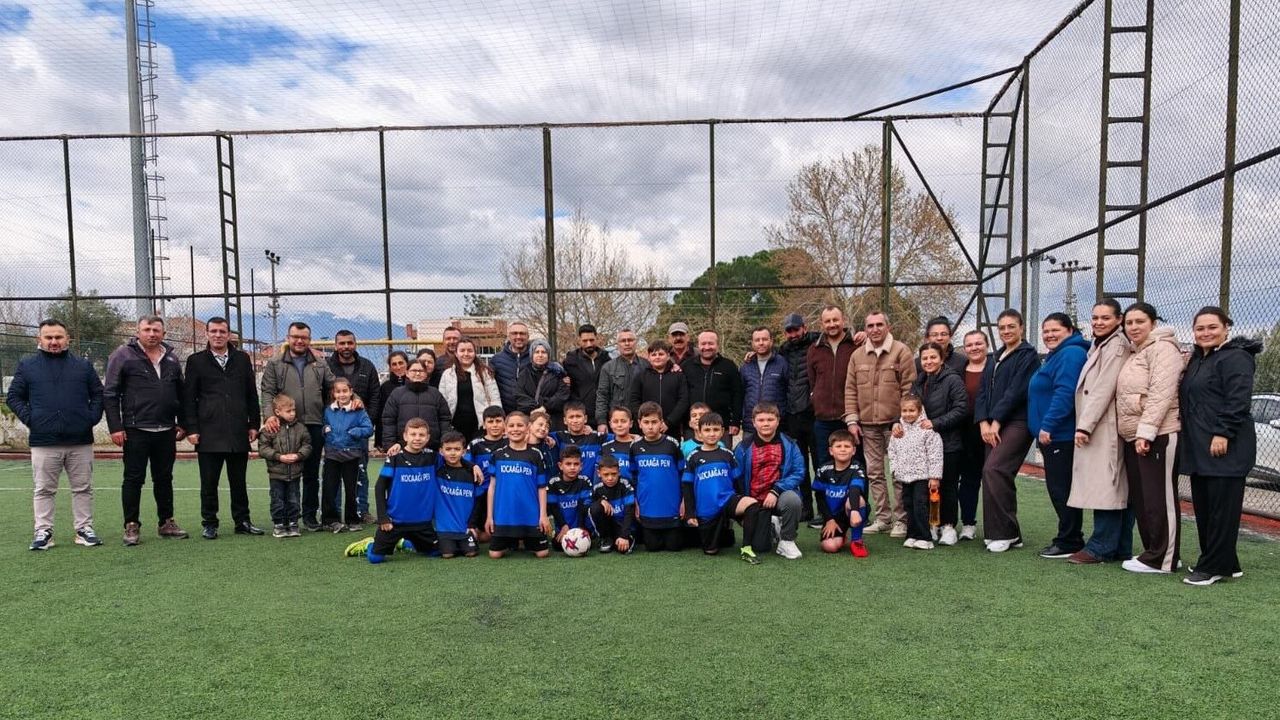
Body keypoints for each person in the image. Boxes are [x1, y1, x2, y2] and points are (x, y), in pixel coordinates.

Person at [1180, 306, 1260, 586]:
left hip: (1226, 449)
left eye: (1212, 327)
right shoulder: (1198, 359)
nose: (1206, 333)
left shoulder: (1236, 357)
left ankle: (1214, 566)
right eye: (1200, 328)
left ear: (1226, 328)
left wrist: (1223, 433)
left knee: (1222, 511)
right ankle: (1227, 562)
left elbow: (1238, 400)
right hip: (1199, 448)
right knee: (1206, 507)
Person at [7, 319, 104, 550]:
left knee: (83, 488)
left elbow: (98, 394)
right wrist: (32, 419)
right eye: (48, 337)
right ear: (39, 339)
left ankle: (84, 529)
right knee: (43, 489)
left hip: (80, 440)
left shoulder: (83, 366)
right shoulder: (27, 366)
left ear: (67, 339)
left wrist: (90, 418)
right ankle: (44, 532)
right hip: (44, 441)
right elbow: (14, 397)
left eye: (58, 337)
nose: (54, 341)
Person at [105, 315, 189, 545]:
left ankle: (166, 522)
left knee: (164, 478)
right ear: (138, 331)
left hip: (166, 430)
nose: (152, 334)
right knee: (133, 479)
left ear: (163, 333)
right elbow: (110, 394)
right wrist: (115, 427)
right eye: (147, 329)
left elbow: (180, 393)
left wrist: (183, 422)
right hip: (135, 430)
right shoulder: (123, 355)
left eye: (156, 330)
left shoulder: (171, 358)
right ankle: (131, 525)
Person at [1116, 302, 1184, 575]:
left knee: (1159, 497)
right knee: (1144, 498)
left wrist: (1146, 432)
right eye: (1129, 323)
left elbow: (1161, 395)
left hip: (1159, 434)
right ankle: (1153, 552)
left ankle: (1164, 559)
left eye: (1139, 322)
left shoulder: (1163, 349)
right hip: (1134, 435)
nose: (1133, 327)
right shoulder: (1136, 352)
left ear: (1153, 323)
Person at [1066, 299, 1134, 564]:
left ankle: (1101, 546)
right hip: (1100, 424)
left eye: (1106, 318)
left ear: (1118, 319)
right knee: (1109, 484)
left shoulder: (1116, 345)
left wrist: (1085, 425)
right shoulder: (1101, 344)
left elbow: (1103, 388)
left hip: (1103, 426)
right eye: (1095, 317)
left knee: (1107, 484)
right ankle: (1119, 546)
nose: (1099, 322)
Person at [183, 316, 263, 539]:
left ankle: (242, 521)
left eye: (222, 331)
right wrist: (191, 428)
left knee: (239, 482)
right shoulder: (195, 361)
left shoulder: (242, 359)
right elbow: (188, 398)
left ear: (229, 335)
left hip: (237, 431)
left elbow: (251, 394)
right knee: (209, 483)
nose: (218, 335)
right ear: (207, 334)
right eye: (214, 331)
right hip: (208, 432)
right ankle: (210, 523)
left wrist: (254, 424)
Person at [843, 310, 916, 537]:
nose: (875, 329)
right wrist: (852, 420)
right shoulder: (857, 356)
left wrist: (903, 420)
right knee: (874, 473)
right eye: (870, 325)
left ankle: (902, 520)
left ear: (888, 327)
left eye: (879, 325)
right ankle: (883, 518)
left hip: (895, 425)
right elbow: (850, 390)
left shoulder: (901, 351)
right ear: (865, 329)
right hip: (867, 424)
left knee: (898, 473)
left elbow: (909, 389)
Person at [973, 309, 1041, 553]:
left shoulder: (1028, 356)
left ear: (1021, 327)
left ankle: (1006, 533)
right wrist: (983, 421)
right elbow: (982, 391)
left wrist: (997, 422)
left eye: (1011, 326)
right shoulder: (994, 357)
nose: (1006, 331)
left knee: (995, 469)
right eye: (1002, 327)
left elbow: (1016, 391)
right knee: (993, 474)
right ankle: (1005, 533)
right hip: (991, 425)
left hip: (1016, 422)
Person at [261, 321, 338, 532]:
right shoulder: (275, 363)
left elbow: (334, 387)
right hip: (285, 427)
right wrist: (269, 416)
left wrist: (354, 398)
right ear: (288, 338)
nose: (299, 341)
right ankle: (285, 517)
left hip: (314, 423)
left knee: (311, 474)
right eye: (295, 337)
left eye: (304, 337)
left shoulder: (320, 364)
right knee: (285, 473)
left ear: (309, 340)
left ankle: (310, 517)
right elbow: (267, 392)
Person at [1026, 313, 1089, 559]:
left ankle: (1069, 540)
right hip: (1053, 435)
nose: (1049, 335)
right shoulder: (1057, 355)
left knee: (1061, 489)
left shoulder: (1070, 354)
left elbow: (1065, 392)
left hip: (1060, 435)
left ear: (1070, 330)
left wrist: (1049, 425)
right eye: (1046, 331)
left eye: (1055, 330)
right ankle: (1068, 537)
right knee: (1059, 488)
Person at [683, 413, 770, 564]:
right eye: (707, 430)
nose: (712, 434)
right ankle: (722, 529)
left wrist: (741, 504)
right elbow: (687, 486)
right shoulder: (693, 457)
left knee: (751, 504)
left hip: (727, 500)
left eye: (716, 429)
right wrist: (690, 513)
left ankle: (746, 549)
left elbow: (737, 481)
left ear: (722, 432)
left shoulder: (728, 454)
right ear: (699, 432)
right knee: (711, 550)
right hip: (707, 509)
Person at [909, 341, 970, 546]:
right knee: (927, 487)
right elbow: (910, 408)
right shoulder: (918, 382)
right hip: (924, 445)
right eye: (925, 358)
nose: (929, 361)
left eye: (933, 357)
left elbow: (961, 409)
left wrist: (936, 423)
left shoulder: (953, 380)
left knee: (948, 486)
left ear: (942, 359)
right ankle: (932, 524)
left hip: (949, 443)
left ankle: (949, 526)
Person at [733, 402, 805, 560]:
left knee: (792, 500)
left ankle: (787, 540)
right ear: (753, 422)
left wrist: (776, 490)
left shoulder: (790, 444)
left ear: (778, 421)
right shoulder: (743, 448)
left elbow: (798, 472)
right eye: (761, 420)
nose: (765, 424)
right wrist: (744, 508)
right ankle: (772, 524)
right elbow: (736, 477)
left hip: (779, 496)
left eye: (770, 419)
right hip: (755, 501)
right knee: (760, 547)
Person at [363, 418, 440, 563]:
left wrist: (472, 466)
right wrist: (383, 518)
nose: (417, 438)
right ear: (405, 436)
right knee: (375, 558)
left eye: (421, 435)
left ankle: (405, 542)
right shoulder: (395, 458)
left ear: (428, 437)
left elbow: (453, 460)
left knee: (436, 552)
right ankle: (370, 545)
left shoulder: (432, 457)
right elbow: (380, 487)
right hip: (395, 522)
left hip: (422, 522)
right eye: (413, 434)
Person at [327, 330, 381, 523]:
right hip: (335, 435)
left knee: (360, 474)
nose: (346, 347)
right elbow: (323, 395)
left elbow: (375, 397)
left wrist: (367, 422)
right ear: (336, 345)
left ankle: (361, 511)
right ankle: (334, 514)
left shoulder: (367, 366)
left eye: (349, 343)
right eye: (342, 343)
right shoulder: (326, 366)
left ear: (355, 344)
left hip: (358, 435)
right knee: (333, 478)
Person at [485, 412, 552, 558]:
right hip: (504, 516)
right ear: (505, 429)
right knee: (495, 554)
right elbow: (492, 487)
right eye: (511, 425)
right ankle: (514, 540)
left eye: (520, 425)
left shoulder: (535, 455)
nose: (515, 429)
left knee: (542, 553)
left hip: (530, 515)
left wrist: (543, 516)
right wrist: (489, 517)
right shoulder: (497, 455)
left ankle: (522, 539)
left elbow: (541, 488)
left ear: (527, 428)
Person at [628, 401, 686, 551]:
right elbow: (633, 477)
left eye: (654, 422)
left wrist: (684, 500)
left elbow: (683, 474)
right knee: (652, 547)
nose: (650, 426)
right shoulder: (635, 447)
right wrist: (636, 502)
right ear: (639, 423)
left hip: (672, 509)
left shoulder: (672, 444)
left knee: (674, 547)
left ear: (661, 422)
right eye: (646, 422)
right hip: (648, 509)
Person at [778, 313, 820, 524]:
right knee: (799, 463)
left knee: (820, 462)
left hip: (814, 414)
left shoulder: (818, 342)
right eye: (789, 331)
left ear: (804, 328)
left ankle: (824, 508)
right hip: (793, 415)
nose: (793, 334)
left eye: (796, 330)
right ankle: (805, 507)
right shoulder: (783, 351)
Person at [888, 395, 944, 550]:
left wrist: (934, 476)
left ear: (920, 411)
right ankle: (912, 535)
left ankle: (925, 537)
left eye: (912, 410)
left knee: (920, 505)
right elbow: (892, 451)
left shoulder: (927, 431)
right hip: (905, 476)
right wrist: (895, 469)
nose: (908, 414)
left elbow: (935, 455)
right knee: (908, 505)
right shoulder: (898, 430)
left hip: (922, 476)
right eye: (904, 411)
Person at [807, 305, 857, 472]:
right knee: (824, 464)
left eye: (835, 320)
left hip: (848, 418)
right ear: (822, 324)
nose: (832, 324)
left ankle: (854, 491)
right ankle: (825, 491)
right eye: (827, 321)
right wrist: (816, 399)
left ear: (843, 320)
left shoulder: (855, 345)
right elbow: (812, 381)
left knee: (853, 463)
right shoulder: (814, 349)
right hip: (823, 419)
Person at [322, 377, 374, 533]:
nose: (342, 394)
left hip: (351, 455)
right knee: (330, 488)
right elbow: (324, 425)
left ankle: (352, 520)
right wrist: (325, 431)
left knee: (352, 489)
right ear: (333, 393)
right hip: (332, 454)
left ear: (351, 392)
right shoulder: (328, 410)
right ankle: (330, 520)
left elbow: (368, 429)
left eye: (345, 391)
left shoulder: (359, 410)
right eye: (338, 391)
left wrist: (356, 432)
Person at [257, 395, 311, 538]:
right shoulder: (269, 429)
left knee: (294, 499)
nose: (292, 413)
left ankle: (293, 523)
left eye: (293, 410)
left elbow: (307, 445)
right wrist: (278, 457)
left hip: (295, 473)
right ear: (277, 412)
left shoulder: (301, 428)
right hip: (276, 473)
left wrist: (298, 455)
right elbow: (263, 448)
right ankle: (279, 524)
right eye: (288, 411)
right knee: (277, 499)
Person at [813, 430, 870, 557]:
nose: (843, 449)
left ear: (853, 450)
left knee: (858, 500)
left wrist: (854, 510)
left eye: (847, 446)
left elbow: (855, 489)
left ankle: (856, 540)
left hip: (852, 510)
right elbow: (819, 497)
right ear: (831, 451)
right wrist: (829, 519)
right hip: (834, 516)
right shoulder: (823, 470)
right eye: (838, 446)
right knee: (830, 546)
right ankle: (841, 535)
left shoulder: (857, 468)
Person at [957, 330, 990, 540]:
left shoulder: (995, 368)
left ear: (987, 345)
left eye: (978, 343)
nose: (974, 348)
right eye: (969, 345)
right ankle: (968, 524)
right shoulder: (959, 371)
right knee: (969, 480)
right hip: (965, 432)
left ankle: (999, 527)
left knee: (993, 478)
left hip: (991, 430)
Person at [683, 330, 745, 439]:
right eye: (703, 344)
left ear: (717, 345)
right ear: (698, 345)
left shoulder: (729, 366)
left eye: (711, 343)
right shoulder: (687, 366)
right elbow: (681, 396)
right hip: (693, 428)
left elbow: (737, 395)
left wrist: (735, 421)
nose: (707, 347)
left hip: (721, 427)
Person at [381, 359, 453, 452]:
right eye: (414, 370)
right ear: (407, 373)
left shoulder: (435, 394)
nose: (418, 373)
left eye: (421, 371)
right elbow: (389, 420)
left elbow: (444, 419)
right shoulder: (397, 394)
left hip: (432, 447)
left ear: (426, 374)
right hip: (403, 448)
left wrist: (445, 443)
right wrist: (390, 444)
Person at [438, 337, 501, 440]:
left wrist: (495, 420)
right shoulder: (447, 374)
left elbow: (495, 398)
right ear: (456, 353)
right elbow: (442, 402)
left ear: (475, 353)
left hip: (479, 425)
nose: (466, 354)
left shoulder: (484, 373)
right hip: (454, 426)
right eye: (462, 351)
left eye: (470, 351)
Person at [434, 430, 480, 558]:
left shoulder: (472, 473)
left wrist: (472, 524)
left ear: (464, 452)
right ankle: (407, 542)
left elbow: (478, 501)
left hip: (464, 528)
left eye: (457, 449)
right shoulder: (437, 470)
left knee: (471, 553)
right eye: (448, 449)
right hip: (445, 528)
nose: (453, 453)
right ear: (441, 451)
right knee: (448, 554)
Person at [627, 340, 689, 438]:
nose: (657, 357)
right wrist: (645, 421)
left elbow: (683, 400)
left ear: (668, 356)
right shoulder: (641, 376)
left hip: (672, 428)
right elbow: (634, 400)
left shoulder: (678, 375)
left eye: (661, 354)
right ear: (649, 357)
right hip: (647, 428)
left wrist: (669, 422)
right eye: (654, 354)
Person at [465, 406, 508, 543]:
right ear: (484, 424)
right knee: (482, 533)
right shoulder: (476, 444)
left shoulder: (510, 441)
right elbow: (464, 462)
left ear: (504, 423)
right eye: (490, 421)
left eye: (498, 421)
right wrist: (473, 465)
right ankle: (472, 528)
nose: (494, 425)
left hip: (503, 491)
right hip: (481, 491)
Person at [595, 328, 647, 435]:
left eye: (630, 340)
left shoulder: (646, 365)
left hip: (642, 423)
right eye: (623, 341)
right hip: (618, 423)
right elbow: (602, 396)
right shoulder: (608, 368)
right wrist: (601, 421)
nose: (627, 343)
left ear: (636, 342)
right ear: (618, 344)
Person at [740, 326, 789, 436]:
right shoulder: (746, 366)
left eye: (765, 339)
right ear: (752, 343)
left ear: (771, 341)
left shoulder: (782, 363)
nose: (761, 343)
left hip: (777, 426)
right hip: (751, 426)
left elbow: (789, 391)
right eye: (757, 340)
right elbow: (741, 394)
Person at [515, 339, 571, 429]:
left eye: (543, 352)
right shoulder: (524, 373)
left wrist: (545, 407)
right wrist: (536, 409)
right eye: (537, 352)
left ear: (548, 355)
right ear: (531, 355)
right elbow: (519, 394)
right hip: (531, 419)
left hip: (554, 421)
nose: (540, 355)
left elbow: (562, 394)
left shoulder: (558, 372)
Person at [563, 324, 611, 428]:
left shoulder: (607, 360)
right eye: (585, 341)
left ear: (597, 338)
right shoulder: (570, 361)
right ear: (579, 340)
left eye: (591, 340)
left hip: (604, 416)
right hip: (580, 417)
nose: (589, 344)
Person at [547, 445, 593, 549]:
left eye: (576, 464)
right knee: (558, 546)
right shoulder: (553, 483)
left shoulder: (584, 481)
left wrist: (579, 529)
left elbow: (583, 508)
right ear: (560, 466)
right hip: (563, 527)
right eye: (568, 464)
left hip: (580, 525)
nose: (572, 467)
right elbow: (553, 508)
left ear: (581, 466)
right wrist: (563, 526)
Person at [589, 455, 637, 553]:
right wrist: (600, 500)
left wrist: (624, 535)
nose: (610, 478)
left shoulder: (625, 485)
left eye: (614, 474)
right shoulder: (597, 488)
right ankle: (605, 538)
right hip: (609, 525)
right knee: (595, 508)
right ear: (599, 473)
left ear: (619, 472)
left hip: (623, 526)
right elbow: (588, 506)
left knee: (623, 550)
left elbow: (629, 512)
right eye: (606, 474)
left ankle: (627, 537)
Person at [553, 401, 603, 482]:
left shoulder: (596, 437)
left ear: (585, 419)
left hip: (591, 487)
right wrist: (548, 438)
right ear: (565, 420)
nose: (575, 420)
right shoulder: (559, 437)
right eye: (571, 417)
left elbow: (619, 437)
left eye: (578, 416)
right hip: (567, 487)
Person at [491, 321, 532, 412]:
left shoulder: (536, 358)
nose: (518, 337)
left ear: (528, 336)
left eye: (522, 333)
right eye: (514, 333)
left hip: (531, 412)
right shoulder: (496, 360)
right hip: (505, 412)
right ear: (509, 336)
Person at [373, 351, 409, 450]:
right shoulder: (385, 387)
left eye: (401, 363)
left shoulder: (414, 384)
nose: (398, 367)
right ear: (390, 367)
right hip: (392, 436)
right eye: (394, 364)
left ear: (407, 364)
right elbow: (381, 415)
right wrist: (379, 441)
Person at [600, 405, 637, 479]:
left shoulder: (637, 446)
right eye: (615, 421)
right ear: (610, 424)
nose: (619, 425)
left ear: (631, 424)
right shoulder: (605, 447)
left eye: (623, 421)